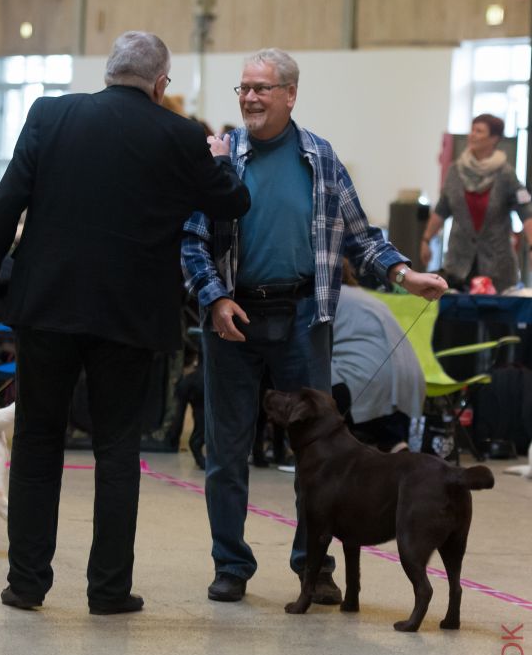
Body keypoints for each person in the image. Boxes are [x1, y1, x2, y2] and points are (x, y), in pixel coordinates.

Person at [0, 30, 250, 615]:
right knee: (117, 452)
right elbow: (231, 203)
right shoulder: (182, 136)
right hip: (130, 318)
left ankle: (27, 584)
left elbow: (4, 204)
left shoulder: (50, 115)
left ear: (110, 70)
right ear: (160, 84)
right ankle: (109, 590)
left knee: (38, 444)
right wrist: (219, 162)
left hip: (49, 308)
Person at [181, 47, 447, 604]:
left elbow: (360, 234)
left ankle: (312, 566)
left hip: (305, 317)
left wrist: (403, 273)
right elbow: (192, 241)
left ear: (290, 95)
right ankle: (230, 564)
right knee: (226, 450)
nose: (250, 97)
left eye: (262, 88)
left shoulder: (319, 157)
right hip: (233, 318)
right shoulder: (221, 158)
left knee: (322, 454)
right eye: (244, 88)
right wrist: (215, 300)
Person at [420, 114, 532, 292]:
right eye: (472, 130)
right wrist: (426, 239)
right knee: (454, 318)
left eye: (479, 131)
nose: (472, 134)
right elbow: (441, 209)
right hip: (458, 265)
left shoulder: (506, 174)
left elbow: (526, 212)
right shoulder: (455, 171)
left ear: (494, 139)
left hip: (498, 268)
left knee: (496, 319)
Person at [331, 259, 425, 452]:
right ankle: (394, 444)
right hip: (410, 378)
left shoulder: (328, 298)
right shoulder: (365, 296)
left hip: (365, 379)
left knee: (317, 380)